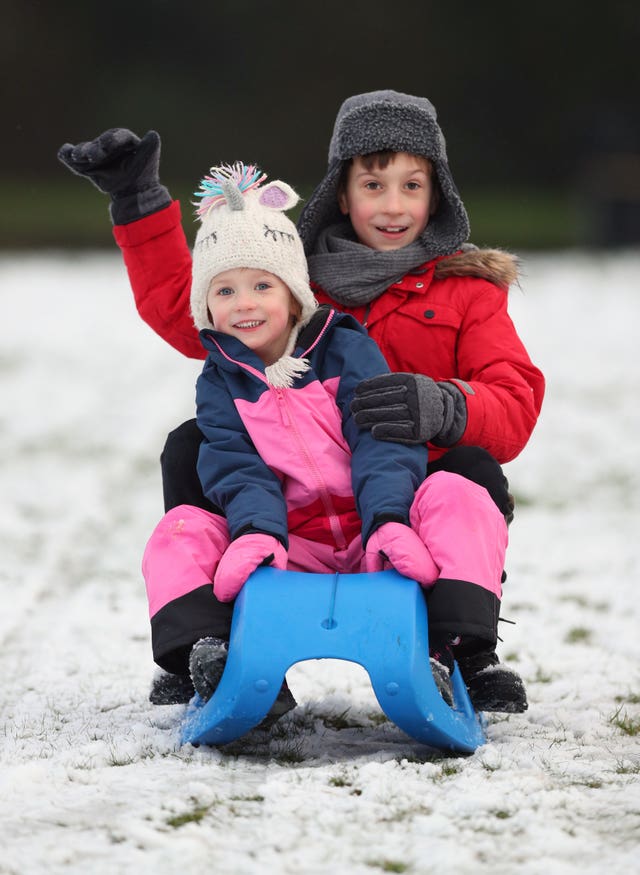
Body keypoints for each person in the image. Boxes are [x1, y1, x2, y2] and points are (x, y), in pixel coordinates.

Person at [58, 89, 545, 713]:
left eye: (412, 186)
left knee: (473, 473)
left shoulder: (467, 292)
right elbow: (193, 308)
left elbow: (514, 398)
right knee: (191, 446)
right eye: (373, 185)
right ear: (342, 193)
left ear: (437, 195)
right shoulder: (294, 278)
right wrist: (139, 205)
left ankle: (463, 649)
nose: (392, 206)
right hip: (292, 483)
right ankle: (212, 644)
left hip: (409, 481)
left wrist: (446, 404)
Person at [141, 161, 509, 716]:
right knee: (181, 528)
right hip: (291, 541)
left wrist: (388, 518)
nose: (244, 303)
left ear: (294, 295)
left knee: (462, 490)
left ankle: (451, 648)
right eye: (226, 291)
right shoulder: (221, 378)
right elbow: (235, 464)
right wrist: (257, 533)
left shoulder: (345, 348)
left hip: (378, 528)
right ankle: (210, 654)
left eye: (262, 286)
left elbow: (382, 439)